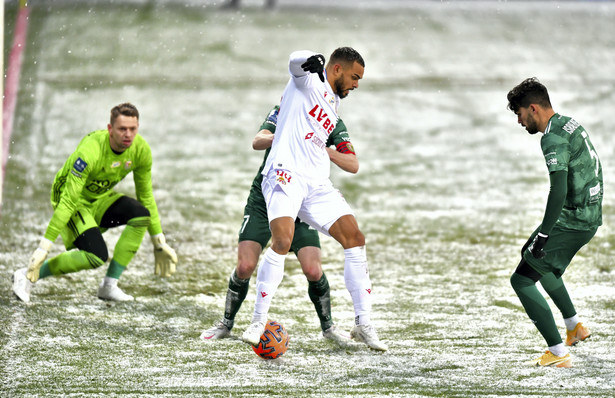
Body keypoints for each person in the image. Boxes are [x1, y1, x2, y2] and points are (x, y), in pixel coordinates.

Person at [241, 48, 387, 351]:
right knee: (282, 241)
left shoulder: (332, 107)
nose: (357, 84)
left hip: (316, 186)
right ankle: (258, 320)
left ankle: (363, 322)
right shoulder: (307, 83)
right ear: (336, 69)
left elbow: (352, 163)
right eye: (355, 77)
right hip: (284, 175)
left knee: (355, 238)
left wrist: (326, 152)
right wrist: (309, 59)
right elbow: (295, 62)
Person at [200, 105, 358, 342]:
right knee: (244, 267)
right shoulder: (285, 110)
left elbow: (352, 163)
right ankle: (226, 323)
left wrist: (325, 150)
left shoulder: (331, 120)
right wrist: (282, 135)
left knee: (313, 270)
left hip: (302, 204)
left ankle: (329, 328)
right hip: (266, 199)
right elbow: (258, 141)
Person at [12, 103, 178, 303]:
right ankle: (25, 276)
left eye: (133, 129)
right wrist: (43, 248)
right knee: (96, 255)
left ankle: (109, 286)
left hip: (99, 197)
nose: (128, 135)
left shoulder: (140, 150)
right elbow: (69, 200)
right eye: (122, 129)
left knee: (141, 214)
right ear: (110, 129)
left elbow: (146, 196)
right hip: (72, 199)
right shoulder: (90, 151)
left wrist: (159, 242)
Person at [507, 78, 602, 367]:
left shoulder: (552, 138)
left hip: (574, 218)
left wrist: (546, 234)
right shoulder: (567, 123)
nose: (520, 122)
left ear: (533, 108)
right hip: (588, 213)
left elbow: (558, 189)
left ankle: (559, 354)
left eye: (519, 114)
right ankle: (574, 326)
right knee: (533, 255)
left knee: (522, 279)